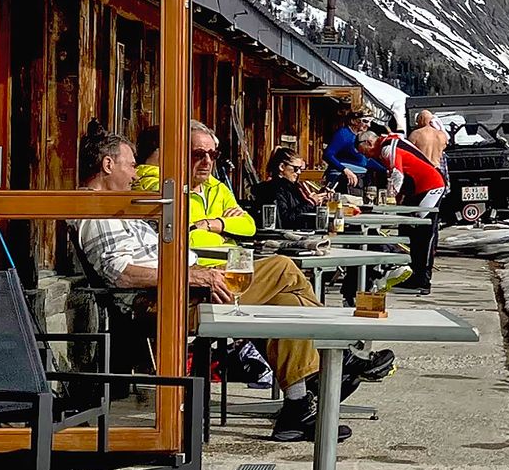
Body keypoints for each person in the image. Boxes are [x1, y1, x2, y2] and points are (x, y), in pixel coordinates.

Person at [75, 121, 355, 443]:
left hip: (187, 288)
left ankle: (298, 405)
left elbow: (244, 226)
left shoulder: (117, 207)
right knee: (282, 267)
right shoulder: (96, 211)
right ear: (108, 165)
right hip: (165, 301)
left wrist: (196, 270)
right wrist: (192, 275)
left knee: (286, 304)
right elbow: (121, 273)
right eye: (131, 165)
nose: (136, 174)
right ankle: (335, 357)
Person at [135, 121, 256, 267]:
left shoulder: (217, 187)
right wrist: (225, 236)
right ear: (178, 154)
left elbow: (249, 226)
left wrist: (211, 224)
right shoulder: (163, 187)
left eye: (213, 154)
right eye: (198, 154)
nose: (207, 161)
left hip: (231, 263)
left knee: (279, 266)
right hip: (193, 270)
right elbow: (184, 238)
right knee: (279, 268)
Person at [360, 130, 446, 293]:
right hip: (418, 188)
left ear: (369, 143)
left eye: (364, 152)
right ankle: (413, 273)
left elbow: (397, 175)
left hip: (430, 186)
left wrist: (390, 198)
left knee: (424, 232)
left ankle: (423, 278)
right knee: (410, 230)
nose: (366, 157)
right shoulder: (390, 141)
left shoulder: (387, 148)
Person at [250, 145, 325, 231]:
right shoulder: (274, 189)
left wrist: (318, 202)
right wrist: (310, 202)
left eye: (300, 169)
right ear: (282, 167)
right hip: (283, 235)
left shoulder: (293, 187)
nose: (299, 172)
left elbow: (301, 211)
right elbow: (285, 220)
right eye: (296, 168)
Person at [322, 107, 389, 197]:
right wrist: (345, 170)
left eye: (370, 122)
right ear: (354, 121)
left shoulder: (359, 136)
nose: (369, 125)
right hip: (343, 177)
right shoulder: (344, 134)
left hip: (359, 177)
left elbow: (364, 161)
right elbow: (328, 154)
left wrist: (385, 170)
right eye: (365, 121)